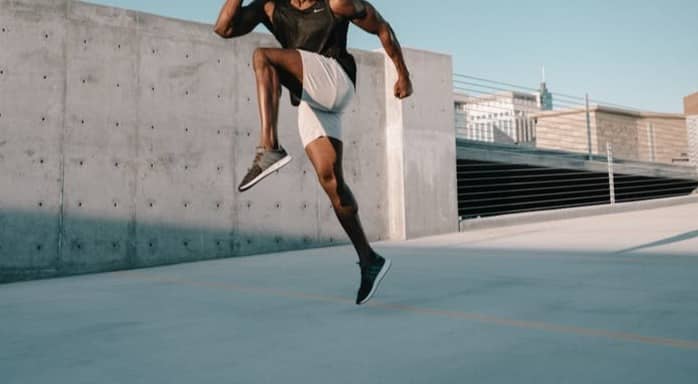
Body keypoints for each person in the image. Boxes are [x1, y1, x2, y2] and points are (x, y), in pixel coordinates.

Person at [214, 0, 412, 305]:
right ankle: (369, 258)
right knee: (330, 180)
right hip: (310, 96)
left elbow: (382, 28)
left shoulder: (336, 3)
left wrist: (403, 74)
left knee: (262, 56)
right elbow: (223, 28)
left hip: (336, 78)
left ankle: (269, 148)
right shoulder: (270, 8)